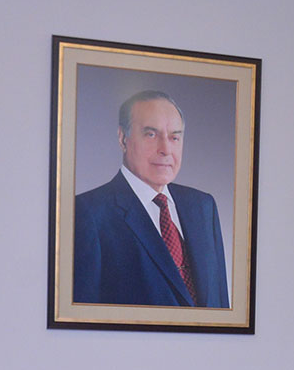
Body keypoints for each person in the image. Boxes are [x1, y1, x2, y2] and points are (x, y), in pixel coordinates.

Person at [72, 90, 230, 308]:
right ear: (123, 139)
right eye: (151, 135)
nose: (165, 149)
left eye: (174, 137)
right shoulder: (87, 213)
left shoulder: (203, 207)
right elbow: (82, 317)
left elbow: (220, 305)